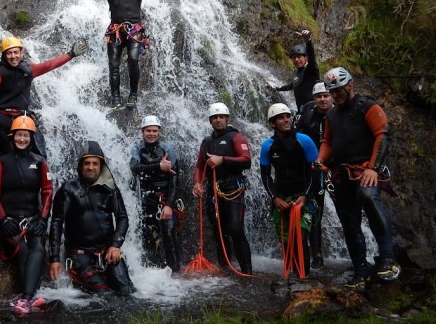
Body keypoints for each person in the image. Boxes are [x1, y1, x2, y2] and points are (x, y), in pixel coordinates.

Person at [61, 0, 189, 108]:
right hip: (115, 31)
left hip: (134, 31)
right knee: (113, 64)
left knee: (133, 60)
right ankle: (115, 96)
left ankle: (133, 94)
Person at [315, 67, 400, 290]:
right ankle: (360, 271)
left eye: (338, 90)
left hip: (367, 169)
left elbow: (382, 136)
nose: (335, 95)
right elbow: (328, 142)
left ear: (350, 85)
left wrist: (374, 168)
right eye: (331, 91)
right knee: (349, 222)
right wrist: (321, 160)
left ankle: (387, 258)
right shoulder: (331, 115)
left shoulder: (368, 107)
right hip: (342, 173)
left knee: (369, 198)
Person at [48, 141, 135, 295]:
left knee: (126, 291)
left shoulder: (110, 189)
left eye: (95, 163)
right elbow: (56, 223)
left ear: (101, 165)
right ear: (81, 165)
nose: (91, 167)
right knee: (104, 295)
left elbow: (122, 218)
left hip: (108, 251)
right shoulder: (68, 189)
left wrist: (115, 245)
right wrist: (54, 259)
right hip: (79, 254)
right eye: (87, 163)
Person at [0, 35, 88, 156]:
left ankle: (43, 169)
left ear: (21, 52)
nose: (13, 56)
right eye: (9, 53)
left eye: (16, 52)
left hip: (23, 117)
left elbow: (48, 65)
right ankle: (9, 154)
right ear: (4, 55)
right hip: (5, 118)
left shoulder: (28, 69)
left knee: (40, 154)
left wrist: (70, 54)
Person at [0, 116, 53, 314]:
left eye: (26, 135)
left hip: (32, 218)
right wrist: (3, 219)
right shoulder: (2, 162)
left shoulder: (40, 162)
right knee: (22, 250)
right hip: (9, 220)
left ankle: (27, 298)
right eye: (19, 135)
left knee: (38, 247)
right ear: (12, 136)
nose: (22, 139)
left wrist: (43, 219)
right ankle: (29, 297)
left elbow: (48, 192)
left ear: (31, 137)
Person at [191, 102, 253, 275]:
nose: (218, 120)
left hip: (233, 189)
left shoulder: (236, 137)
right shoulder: (207, 142)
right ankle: (225, 268)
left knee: (235, 228)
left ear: (227, 119)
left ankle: (247, 271)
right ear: (210, 121)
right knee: (219, 231)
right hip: (213, 190)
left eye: (221, 117)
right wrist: (197, 183)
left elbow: (246, 160)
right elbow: (199, 166)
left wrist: (222, 159)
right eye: (215, 118)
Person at [260, 103, 319, 278]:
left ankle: (303, 277)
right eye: (281, 117)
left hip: (302, 196)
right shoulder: (267, 146)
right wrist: (274, 198)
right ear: (272, 123)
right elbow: (265, 175)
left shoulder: (304, 141)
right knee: (286, 241)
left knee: (300, 238)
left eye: (287, 116)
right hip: (281, 197)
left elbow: (314, 171)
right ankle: (292, 275)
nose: (286, 120)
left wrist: (305, 196)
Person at [130, 115, 182, 272]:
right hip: (146, 198)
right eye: (148, 131)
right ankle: (153, 271)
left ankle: (175, 271)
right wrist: (158, 166)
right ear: (142, 131)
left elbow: (175, 179)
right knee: (148, 235)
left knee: (169, 235)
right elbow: (134, 168)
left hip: (165, 198)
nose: (151, 134)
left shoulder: (167, 149)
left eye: (154, 131)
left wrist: (169, 206)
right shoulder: (137, 149)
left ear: (159, 132)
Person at [294, 81, 333, 269]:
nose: (323, 99)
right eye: (319, 96)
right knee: (315, 209)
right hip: (313, 169)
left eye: (326, 95)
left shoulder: (339, 115)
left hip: (337, 168)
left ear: (332, 96)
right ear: (314, 99)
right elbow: (296, 140)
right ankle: (316, 255)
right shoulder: (308, 116)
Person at [272, 29, 320, 111]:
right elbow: (291, 86)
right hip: (301, 110)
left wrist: (307, 41)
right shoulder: (296, 73)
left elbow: (312, 56)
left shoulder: (311, 69)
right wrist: (276, 88)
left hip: (313, 108)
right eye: (294, 58)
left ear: (306, 58)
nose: (296, 60)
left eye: (299, 57)